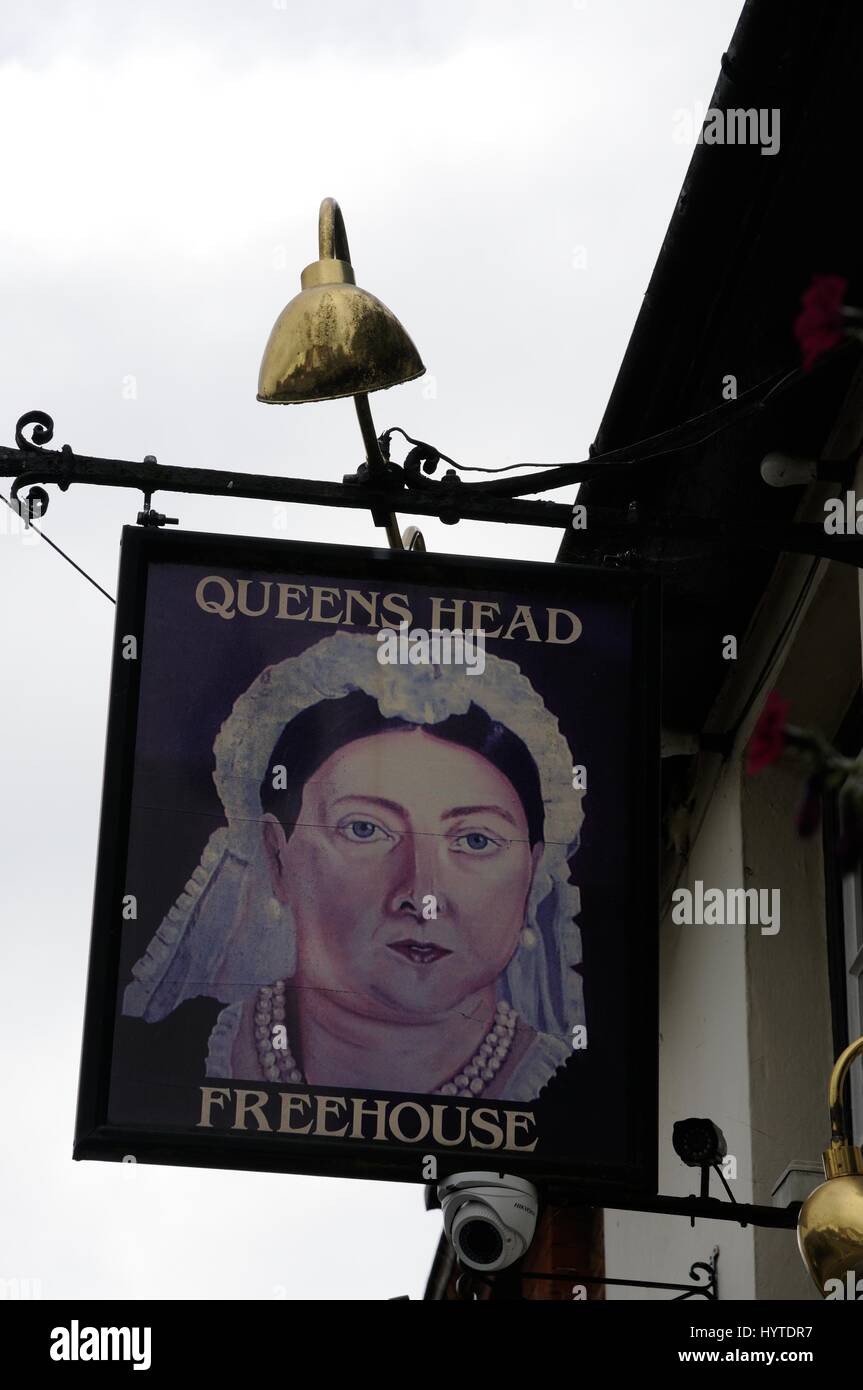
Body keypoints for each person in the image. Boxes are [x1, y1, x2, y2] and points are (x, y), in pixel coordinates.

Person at [124, 630, 586, 1102]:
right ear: (276, 855)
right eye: (365, 829)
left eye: (474, 839)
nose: (422, 895)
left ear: (532, 873)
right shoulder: (158, 1073)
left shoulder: (578, 1101)